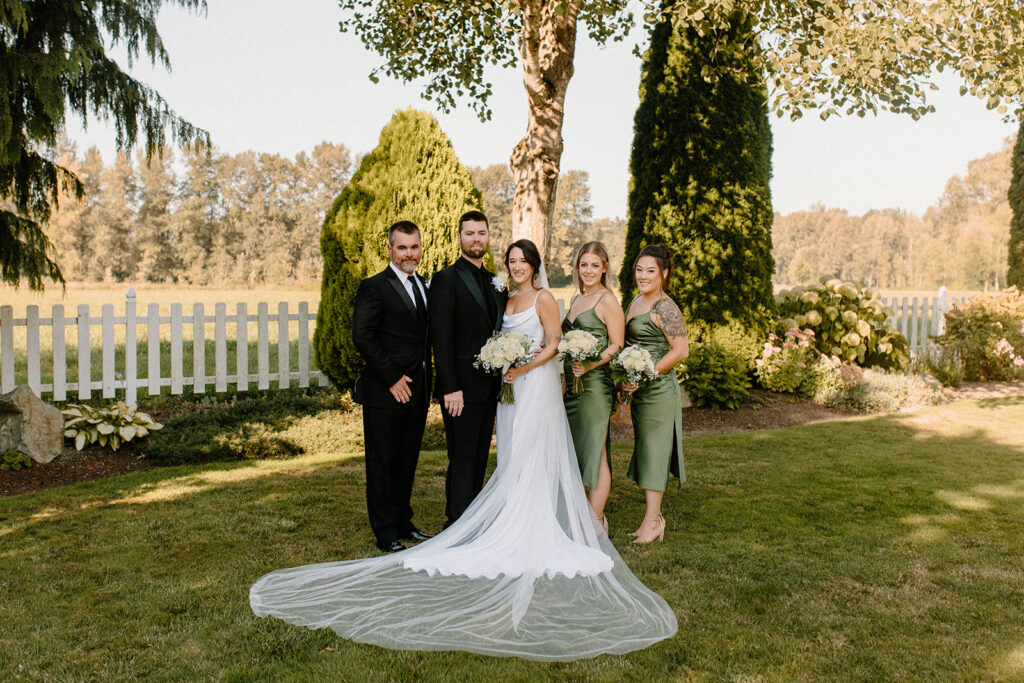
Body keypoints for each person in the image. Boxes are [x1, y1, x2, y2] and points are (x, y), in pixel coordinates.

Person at [249, 239, 677, 661]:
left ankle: (541, 522)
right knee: (511, 454)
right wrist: (502, 364)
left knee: (536, 453)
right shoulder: (505, 297)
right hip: (509, 392)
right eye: (511, 261)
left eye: (523, 261)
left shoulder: (547, 298)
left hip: (533, 388)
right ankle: (510, 519)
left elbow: (552, 345)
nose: (517, 267)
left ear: (535, 264)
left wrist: (520, 367)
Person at [350, 221, 433, 553]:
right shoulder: (374, 287)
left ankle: (402, 521)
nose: (408, 253)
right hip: (386, 391)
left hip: (417, 389)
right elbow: (363, 337)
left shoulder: (424, 285)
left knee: (407, 459)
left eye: (414, 247)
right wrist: (392, 379)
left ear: (420, 248)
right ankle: (385, 531)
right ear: (390, 249)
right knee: (383, 462)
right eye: (402, 247)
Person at [428, 210, 505, 527]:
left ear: (488, 237)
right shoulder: (446, 280)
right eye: (470, 233)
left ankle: (472, 521)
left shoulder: (496, 283)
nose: (476, 239)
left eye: (481, 233)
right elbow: (441, 338)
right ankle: (455, 523)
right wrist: (450, 387)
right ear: (459, 238)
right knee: (461, 457)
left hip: (489, 388)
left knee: (478, 458)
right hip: (459, 389)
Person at [622, 244, 690, 544]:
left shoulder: (665, 307)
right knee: (646, 450)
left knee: (655, 453)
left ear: (664, 273)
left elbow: (681, 350)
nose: (644, 276)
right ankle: (652, 519)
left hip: (660, 391)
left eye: (651, 271)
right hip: (641, 392)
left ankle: (653, 521)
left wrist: (646, 373)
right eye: (639, 270)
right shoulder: (637, 301)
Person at [561, 241, 624, 533]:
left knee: (596, 450)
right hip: (572, 387)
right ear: (577, 267)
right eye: (583, 265)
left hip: (595, 387)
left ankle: (596, 520)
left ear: (605, 268)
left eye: (594, 266)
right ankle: (582, 513)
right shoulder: (576, 299)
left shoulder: (607, 301)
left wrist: (591, 364)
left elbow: (617, 345)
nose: (588, 271)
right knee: (578, 449)